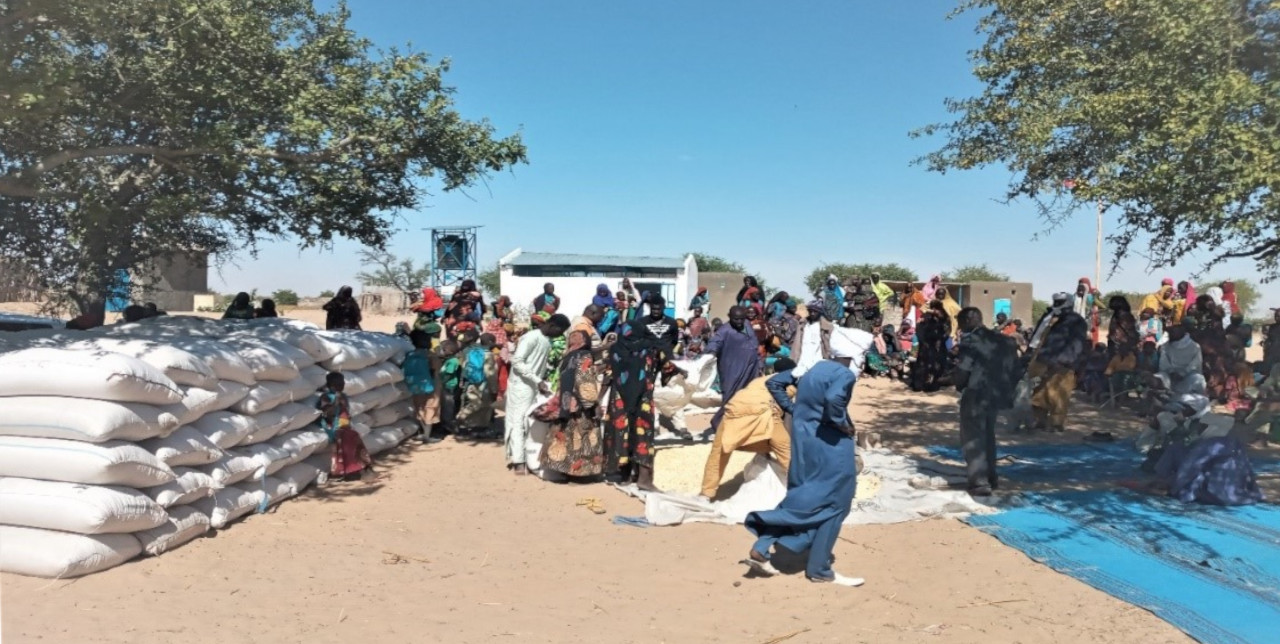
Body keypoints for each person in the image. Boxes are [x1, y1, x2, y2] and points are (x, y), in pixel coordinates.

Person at [742, 328, 868, 587]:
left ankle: (765, 543)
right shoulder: (843, 375)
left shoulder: (815, 367)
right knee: (836, 504)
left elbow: (775, 382)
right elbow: (834, 399)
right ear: (855, 353)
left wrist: (795, 410)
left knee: (804, 493)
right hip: (832, 446)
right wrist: (841, 424)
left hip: (805, 442)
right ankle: (819, 568)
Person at [701, 357, 797, 499]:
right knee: (787, 454)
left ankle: (706, 492)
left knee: (718, 454)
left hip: (733, 414)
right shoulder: (789, 383)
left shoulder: (758, 381)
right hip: (764, 414)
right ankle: (802, 491)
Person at [953, 308, 1018, 496]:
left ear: (968, 320)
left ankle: (979, 482)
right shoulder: (1005, 340)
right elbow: (1015, 369)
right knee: (988, 435)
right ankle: (991, 477)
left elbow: (964, 371)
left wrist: (957, 383)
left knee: (973, 437)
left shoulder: (971, 341)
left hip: (976, 393)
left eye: (960, 323)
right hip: (997, 394)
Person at [603, 317, 667, 490]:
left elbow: (608, 373)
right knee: (643, 435)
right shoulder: (651, 348)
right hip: (642, 398)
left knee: (622, 432)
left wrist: (598, 397)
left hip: (620, 398)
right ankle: (644, 480)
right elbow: (665, 365)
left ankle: (625, 475)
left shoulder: (615, 348)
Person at [505, 314, 568, 474]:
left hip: (533, 386)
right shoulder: (531, 337)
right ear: (553, 325)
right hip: (521, 386)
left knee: (528, 422)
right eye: (560, 331)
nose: (559, 335)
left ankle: (527, 457)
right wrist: (536, 380)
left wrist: (540, 382)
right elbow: (517, 361)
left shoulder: (545, 341)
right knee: (517, 421)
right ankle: (518, 461)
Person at [539, 330, 605, 479]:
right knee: (581, 437)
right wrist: (592, 404)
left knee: (562, 435)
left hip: (564, 401)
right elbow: (584, 380)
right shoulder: (585, 356)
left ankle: (560, 469)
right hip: (579, 404)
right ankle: (577, 472)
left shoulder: (567, 356)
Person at [1027, 293, 1088, 432]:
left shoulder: (1076, 321)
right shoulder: (1049, 317)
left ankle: (1056, 423)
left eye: (1059, 302)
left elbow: (1077, 343)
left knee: (1059, 394)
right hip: (1043, 358)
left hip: (1062, 363)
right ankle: (1039, 420)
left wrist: (1065, 359)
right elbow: (1038, 336)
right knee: (1039, 392)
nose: (1056, 305)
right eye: (1055, 302)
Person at [704, 306, 766, 440]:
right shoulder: (724, 330)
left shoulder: (748, 325)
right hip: (732, 370)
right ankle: (718, 424)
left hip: (751, 369)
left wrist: (760, 364)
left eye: (741, 319)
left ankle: (743, 428)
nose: (739, 322)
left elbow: (755, 344)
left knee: (748, 398)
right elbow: (714, 343)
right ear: (729, 316)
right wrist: (710, 353)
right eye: (736, 319)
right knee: (730, 399)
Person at [316, 372, 374, 480]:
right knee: (346, 438)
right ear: (329, 385)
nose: (340, 385)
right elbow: (327, 414)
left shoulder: (344, 396)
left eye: (342, 383)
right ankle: (347, 470)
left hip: (344, 424)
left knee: (354, 436)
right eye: (336, 384)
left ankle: (362, 466)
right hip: (332, 425)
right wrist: (335, 402)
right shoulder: (326, 397)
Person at [402, 330, 443, 443]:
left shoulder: (409, 355)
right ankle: (427, 435)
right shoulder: (430, 355)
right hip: (431, 385)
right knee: (431, 407)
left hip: (415, 385)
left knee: (419, 407)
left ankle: (422, 432)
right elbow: (437, 370)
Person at [455, 330, 498, 435]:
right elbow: (490, 373)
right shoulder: (488, 355)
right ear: (490, 343)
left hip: (471, 382)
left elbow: (465, 366)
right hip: (483, 384)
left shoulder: (472, 352)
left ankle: (472, 426)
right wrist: (494, 389)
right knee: (484, 406)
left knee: (474, 403)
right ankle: (465, 419)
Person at [435, 339, 463, 434]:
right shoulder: (449, 360)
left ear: (450, 351)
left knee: (448, 406)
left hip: (448, 386)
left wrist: (442, 382)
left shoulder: (453, 361)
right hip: (446, 385)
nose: (442, 351)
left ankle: (449, 425)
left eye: (444, 349)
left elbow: (449, 374)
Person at [1075, 278, 1101, 345]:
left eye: (1083, 283)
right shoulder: (1077, 293)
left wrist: (1098, 315)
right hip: (1080, 315)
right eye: (1080, 283)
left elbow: (1098, 304)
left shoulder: (1094, 292)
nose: (1082, 285)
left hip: (1092, 316)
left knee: (1092, 335)